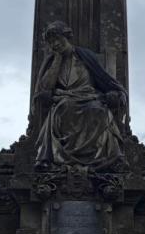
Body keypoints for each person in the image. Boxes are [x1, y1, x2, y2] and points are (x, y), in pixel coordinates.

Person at [33, 21, 127, 170]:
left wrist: (116, 93)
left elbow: (104, 79)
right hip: (63, 101)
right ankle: (56, 157)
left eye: (58, 39)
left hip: (89, 98)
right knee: (64, 107)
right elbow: (45, 88)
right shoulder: (51, 61)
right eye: (51, 42)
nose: (55, 44)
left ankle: (106, 158)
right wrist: (57, 60)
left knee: (99, 111)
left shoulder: (85, 56)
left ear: (67, 37)